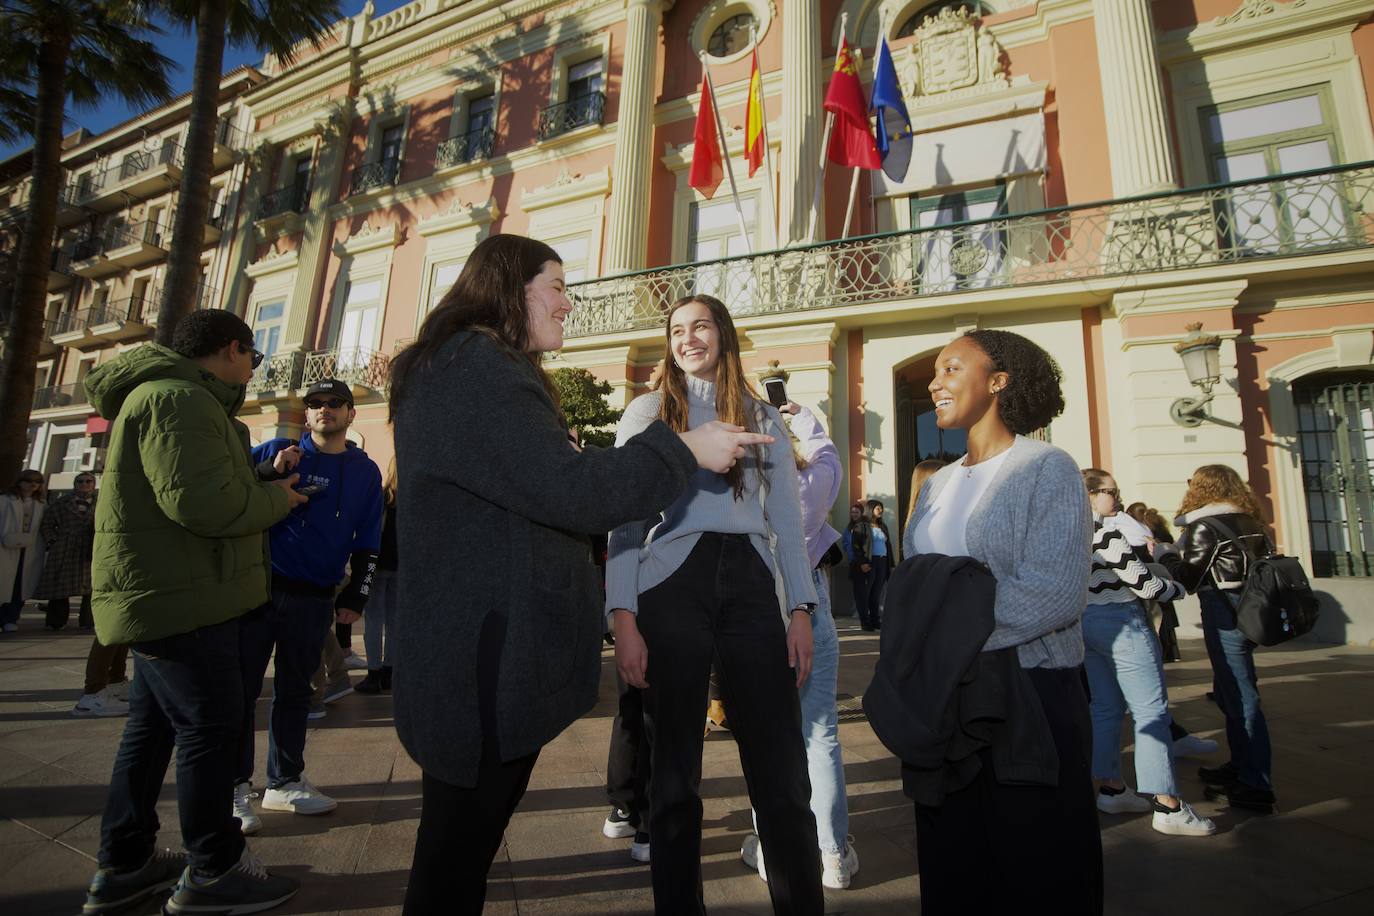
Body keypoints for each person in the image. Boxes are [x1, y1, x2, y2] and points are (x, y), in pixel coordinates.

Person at [388, 234, 770, 915]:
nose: (568, 304)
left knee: (458, 852)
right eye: (557, 285)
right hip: (481, 659)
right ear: (511, 286)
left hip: (478, 650)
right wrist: (683, 448)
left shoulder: (469, 367)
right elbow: (573, 493)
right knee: (454, 856)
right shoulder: (479, 366)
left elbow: (537, 482)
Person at [80, 309, 304, 915]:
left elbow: (185, 488)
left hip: (170, 591)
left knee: (150, 732)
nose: (253, 370)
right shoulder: (180, 400)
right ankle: (214, 869)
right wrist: (277, 498)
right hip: (185, 596)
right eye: (254, 357)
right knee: (209, 727)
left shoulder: (168, 397)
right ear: (233, 349)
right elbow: (205, 507)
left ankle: (125, 863)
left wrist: (260, 474)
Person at [609, 293, 824, 915]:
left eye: (701, 324)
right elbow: (625, 520)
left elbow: (784, 517)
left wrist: (801, 610)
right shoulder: (647, 413)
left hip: (754, 587)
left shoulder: (762, 415)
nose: (688, 337)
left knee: (782, 773)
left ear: (724, 335)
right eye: (676, 329)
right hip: (670, 584)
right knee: (673, 774)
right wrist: (623, 617)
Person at [902, 329, 1102, 913]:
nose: (935, 381)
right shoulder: (937, 483)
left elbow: (1055, 593)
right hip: (950, 700)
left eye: (951, 368)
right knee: (954, 861)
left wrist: (946, 639)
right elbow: (917, 579)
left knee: (1034, 866)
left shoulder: (1047, 467)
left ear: (998, 381)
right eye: (934, 371)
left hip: (1030, 695)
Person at [235, 378, 385, 829]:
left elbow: (369, 537)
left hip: (315, 595)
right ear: (307, 414)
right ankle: (235, 787)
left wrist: (358, 592)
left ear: (350, 414)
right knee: (241, 691)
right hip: (259, 589)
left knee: (297, 691)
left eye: (335, 403)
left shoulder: (365, 471)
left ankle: (284, 782)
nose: (325, 410)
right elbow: (231, 496)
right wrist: (269, 472)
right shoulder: (277, 450)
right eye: (315, 404)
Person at [738, 397, 859, 890]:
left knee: (767, 737)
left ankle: (773, 846)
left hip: (759, 609)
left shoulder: (750, 485)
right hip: (811, 604)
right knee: (820, 735)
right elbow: (827, 451)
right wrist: (801, 413)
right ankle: (831, 852)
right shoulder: (816, 480)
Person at [1081, 468, 1216, 837]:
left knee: (1105, 708)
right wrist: (1177, 588)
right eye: (1111, 491)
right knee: (1150, 711)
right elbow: (1145, 585)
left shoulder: (1066, 535)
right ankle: (1167, 802)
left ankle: (1111, 787)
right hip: (1122, 622)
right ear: (1091, 495)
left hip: (1086, 624)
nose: (1118, 497)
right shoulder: (1104, 535)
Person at [1165, 464, 1277, 814]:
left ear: (1201, 488)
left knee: (1241, 697)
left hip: (1224, 610)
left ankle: (1255, 783)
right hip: (1252, 612)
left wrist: (1166, 556)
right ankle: (1241, 767)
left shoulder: (1205, 526)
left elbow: (1191, 577)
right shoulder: (1251, 521)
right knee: (1234, 691)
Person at [356, 460, 398, 695]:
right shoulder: (413, 498)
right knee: (394, 621)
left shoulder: (382, 496)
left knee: (373, 619)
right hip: (402, 566)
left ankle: (373, 673)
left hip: (378, 564)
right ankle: (389, 673)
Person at [38, 471, 97, 630]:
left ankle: (88, 621)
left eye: (88, 481)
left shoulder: (101, 502)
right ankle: (56, 621)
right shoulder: (62, 502)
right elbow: (47, 524)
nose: (84, 484)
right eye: (80, 481)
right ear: (74, 484)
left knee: (91, 588)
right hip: (65, 546)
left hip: (90, 547)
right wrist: (53, 540)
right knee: (60, 587)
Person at [0, 470, 47, 633]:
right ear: (20, 482)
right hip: (5, 548)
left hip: (29, 551)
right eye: (28, 480)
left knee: (20, 587)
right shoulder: (5, 500)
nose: (32, 484)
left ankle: (11, 618)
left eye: (37, 481)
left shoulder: (41, 504)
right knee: (3, 583)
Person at [864, 499, 894, 630]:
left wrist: (891, 563)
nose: (880, 511)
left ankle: (875, 620)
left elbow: (889, 546)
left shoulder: (883, 526)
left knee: (877, 592)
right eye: (877, 508)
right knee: (868, 591)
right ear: (871, 510)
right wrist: (863, 562)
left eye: (881, 508)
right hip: (871, 562)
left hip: (883, 561)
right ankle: (867, 621)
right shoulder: (864, 526)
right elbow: (859, 546)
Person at [841, 504, 870, 623]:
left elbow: (867, 544)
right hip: (854, 562)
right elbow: (844, 543)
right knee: (858, 590)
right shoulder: (848, 528)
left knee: (866, 589)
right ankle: (860, 612)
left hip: (864, 562)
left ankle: (866, 613)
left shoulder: (865, 526)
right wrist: (849, 550)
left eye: (856, 512)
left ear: (861, 513)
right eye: (852, 512)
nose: (854, 514)